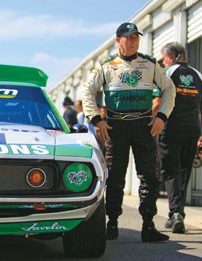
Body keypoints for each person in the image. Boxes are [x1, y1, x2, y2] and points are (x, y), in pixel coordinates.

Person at [82, 22, 176, 242]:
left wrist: (162, 116)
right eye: (129, 37)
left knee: (150, 177)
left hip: (144, 127)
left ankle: (148, 225)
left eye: (136, 37)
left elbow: (169, 88)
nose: (133, 41)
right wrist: (96, 119)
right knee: (115, 177)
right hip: (116, 128)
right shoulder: (106, 65)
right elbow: (88, 91)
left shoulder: (150, 63)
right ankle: (112, 223)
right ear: (118, 41)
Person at [158, 42, 202, 233]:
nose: (163, 62)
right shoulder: (199, 75)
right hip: (192, 130)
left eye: (164, 58)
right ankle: (179, 214)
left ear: (173, 56)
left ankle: (175, 213)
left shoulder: (167, 73)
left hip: (171, 129)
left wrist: (151, 124)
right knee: (184, 171)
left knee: (170, 171)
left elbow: (157, 101)